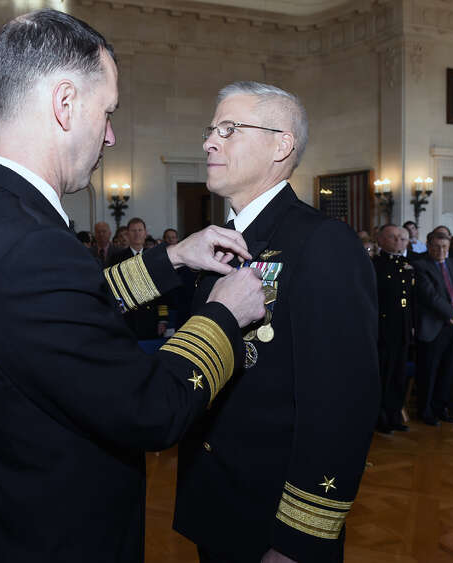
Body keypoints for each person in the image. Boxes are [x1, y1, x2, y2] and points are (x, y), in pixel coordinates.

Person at [0, 10, 266, 562]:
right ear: (65, 104)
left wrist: (174, 258)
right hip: (57, 535)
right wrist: (223, 315)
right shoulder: (30, 246)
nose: (111, 133)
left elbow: (67, 319)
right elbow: (153, 409)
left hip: (0, 518)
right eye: (106, 111)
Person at [173, 81, 379, 563]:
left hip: (273, 519)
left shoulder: (323, 243)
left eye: (228, 129)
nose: (208, 142)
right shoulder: (220, 239)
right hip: (220, 499)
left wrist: (299, 541)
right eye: (210, 130)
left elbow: (340, 406)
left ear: (281, 145)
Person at [413, 231, 453, 425]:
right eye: (436, 246)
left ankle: (441, 407)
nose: (441, 250)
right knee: (429, 372)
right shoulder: (420, 266)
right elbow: (430, 296)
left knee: (448, 371)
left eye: (445, 246)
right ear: (429, 246)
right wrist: (452, 314)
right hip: (432, 327)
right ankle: (425, 411)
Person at [373, 225, 415, 434]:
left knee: (399, 376)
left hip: (403, 329)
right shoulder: (375, 264)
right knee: (384, 375)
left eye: (403, 238)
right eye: (394, 237)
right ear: (380, 240)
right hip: (383, 330)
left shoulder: (407, 264)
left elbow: (409, 300)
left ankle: (394, 414)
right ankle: (380, 417)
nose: (400, 241)